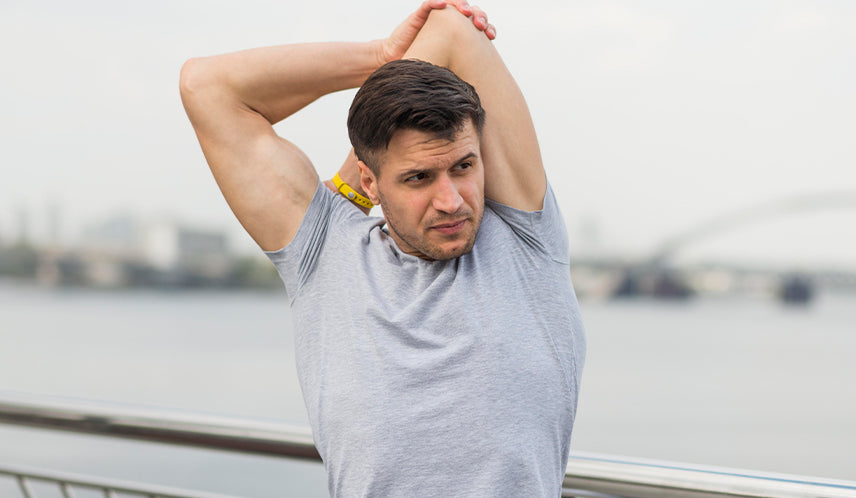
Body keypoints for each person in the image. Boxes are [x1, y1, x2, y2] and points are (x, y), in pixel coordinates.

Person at [180, 1, 585, 495]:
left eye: (464, 166)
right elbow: (207, 86)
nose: (451, 201)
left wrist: (399, 68)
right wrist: (379, 55)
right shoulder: (324, 253)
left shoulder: (526, 240)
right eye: (418, 178)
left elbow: (452, 29)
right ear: (369, 179)